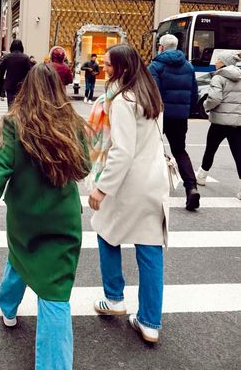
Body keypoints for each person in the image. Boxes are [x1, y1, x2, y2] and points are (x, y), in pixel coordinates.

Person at [0, 63, 91, 369]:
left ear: (28, 88)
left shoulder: (15, 122)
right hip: (63, 219)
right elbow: (85, 168)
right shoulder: (73, 123)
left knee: (21, 255)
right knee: (55, 292)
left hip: (25, 219)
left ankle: (7, 306)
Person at [88, 44, 169, 345]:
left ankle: (114, 297)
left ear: (121, 67)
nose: (104, 69)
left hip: (128, 183)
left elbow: (122, 152)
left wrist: (101, 188)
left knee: (104, 230)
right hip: (154, 181)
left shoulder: (123, 100)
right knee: (150, 249)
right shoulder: (150, 93)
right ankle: (150, 322)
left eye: (109, 65)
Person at [148, 34, 200, 211]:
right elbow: (194, 93)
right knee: (180, 151)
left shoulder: (155, 66)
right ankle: (191, 187)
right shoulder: (188, 66)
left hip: (160, 115)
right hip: (180, 117)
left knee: (151, 150)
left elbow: (151, 93)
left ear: (161, 47)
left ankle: (150, 190)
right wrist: (187, 110)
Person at [197, 51, 241, 200]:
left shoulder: (219, 77)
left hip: (219, 122)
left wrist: (205, 105)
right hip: (237, 123)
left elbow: (214, 98)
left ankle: (202, 176)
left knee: (210, 149)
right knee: (238, 154)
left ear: (224, 62)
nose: (215, 62)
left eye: (218, 60)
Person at [0, 39, 32, 107]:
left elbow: (1, 72)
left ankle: (11, 117)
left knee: (10, 105)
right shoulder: (25, 58)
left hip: (10, 84)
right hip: (22, 85)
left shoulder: (7, 57)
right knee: (21, 105)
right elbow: (30, 72)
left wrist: (2, 84)